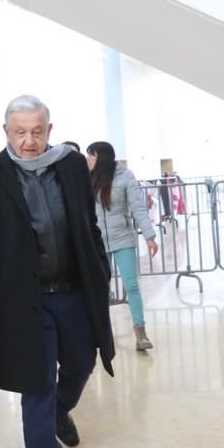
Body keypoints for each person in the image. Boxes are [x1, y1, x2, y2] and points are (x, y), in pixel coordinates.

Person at [0, 95, 114, 448]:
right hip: (22, 300)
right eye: (20, 133)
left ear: (49, 130)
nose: (28, 142)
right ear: (6, 131)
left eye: (36, 132)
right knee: (37, 383)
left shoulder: (71, 166)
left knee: (83, 363)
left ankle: (59, 411)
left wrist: (100, 269)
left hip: (74, 292)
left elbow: (87, 223)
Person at [86, 142, 158, 351]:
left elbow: (138, 208)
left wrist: (149, 236)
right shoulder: (86, 178)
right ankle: (100, 334)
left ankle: (140, 333)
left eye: (91, 155)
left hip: (123, 238)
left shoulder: (126, 176)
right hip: (98, 241)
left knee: (131, 286)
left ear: (101, 157)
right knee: (100, 289)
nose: (88, 159)